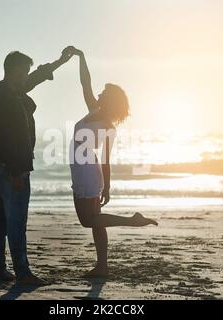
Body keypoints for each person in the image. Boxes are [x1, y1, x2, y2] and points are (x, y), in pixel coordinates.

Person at [68, 46, 158, 278]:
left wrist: (107, 186)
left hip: (88, 171)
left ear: (109, 101)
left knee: (88, 221)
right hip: (85, 168)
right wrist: (81, 56)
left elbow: (106, 160)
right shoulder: (94, 112)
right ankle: (102, 266)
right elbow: (85, 84)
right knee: (96, 221)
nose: (97, 94)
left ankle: (132, 221)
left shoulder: (108, 126)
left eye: (102, 94)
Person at [0, 49, 73, 286]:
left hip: (4, 168)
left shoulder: (9, 92)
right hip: (13, 170)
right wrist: (16, 171)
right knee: (15, 224)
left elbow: (37, 76)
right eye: (23, 71)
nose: (26, 76)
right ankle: (22, 274)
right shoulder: (6, 98)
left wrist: (59, 62)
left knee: (1, 222)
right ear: (13, 71)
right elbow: (5, 136)